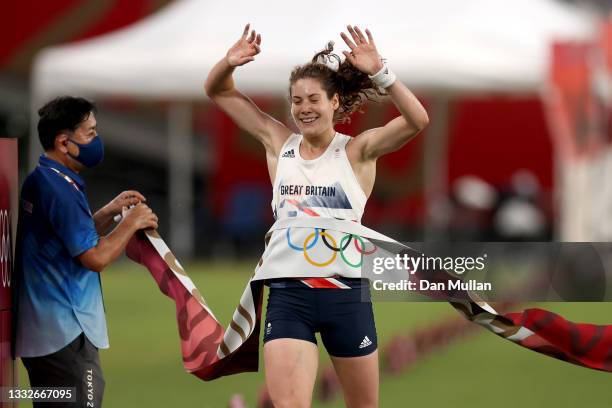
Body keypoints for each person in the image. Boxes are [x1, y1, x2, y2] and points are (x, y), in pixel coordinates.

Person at [205, 24, 428, 408]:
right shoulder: (278, 144)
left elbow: (417, 120)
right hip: (290, 298)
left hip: (346, 296)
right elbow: (218, 91)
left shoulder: (358, 151)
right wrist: (229, 62)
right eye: (296, 101)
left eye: (313, 99)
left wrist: (382, 73)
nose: (304, 109)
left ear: (335, 102)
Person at [13, 96, 158, 408]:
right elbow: (94, 257)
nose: (97, 140)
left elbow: (66, 240)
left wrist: (106, 214)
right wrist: (131, 222)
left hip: (44, 334)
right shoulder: (59, 190)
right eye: (90, 133)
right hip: (64, 335)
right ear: (65, 143)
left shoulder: (44, 179)